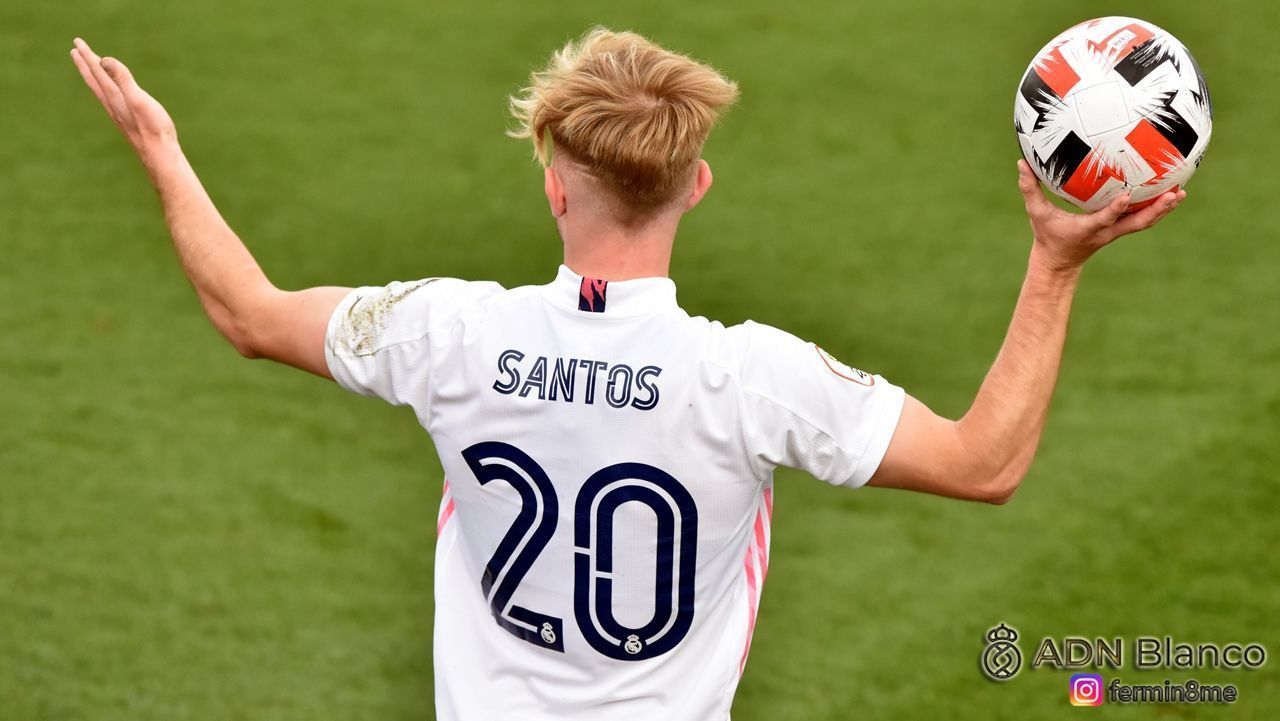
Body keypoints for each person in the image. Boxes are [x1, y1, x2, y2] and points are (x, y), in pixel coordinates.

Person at [70, 27, 1183, 721]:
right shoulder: (749, 378)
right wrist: (1053, 264)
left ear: (554, 187)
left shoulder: (450, 334)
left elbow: (249, 312)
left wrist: (162, 150)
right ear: (695, 186)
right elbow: (984, 463)